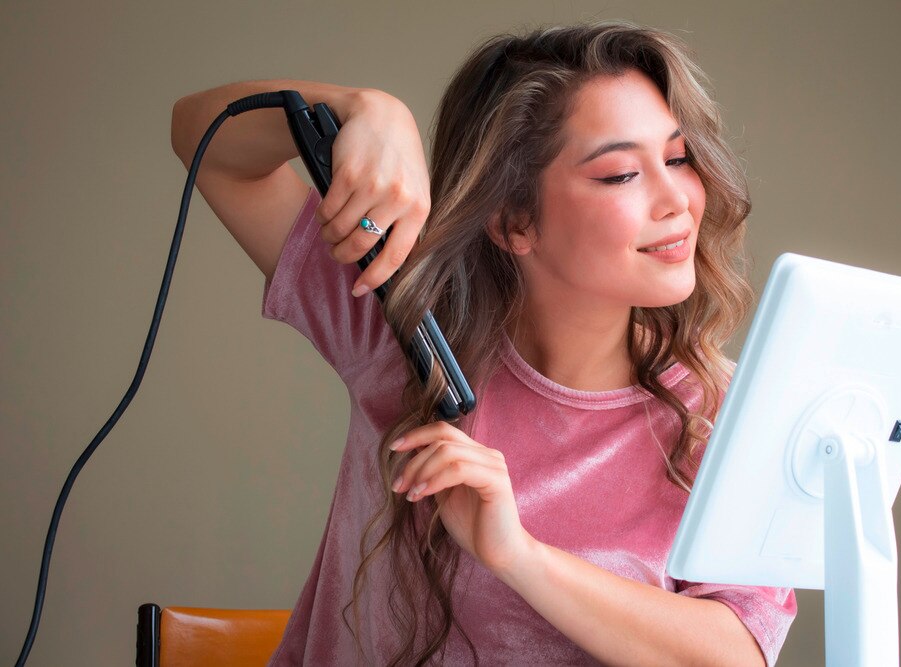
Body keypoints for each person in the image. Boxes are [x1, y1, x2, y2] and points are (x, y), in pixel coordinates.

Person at [171, 21, 796, 666]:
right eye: (619, 175)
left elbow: (738, 655)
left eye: (676, 158)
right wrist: (361, 108)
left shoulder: (722, 411)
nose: (678, 201)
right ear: (515, 221)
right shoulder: (402, 323)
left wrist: (517, 555)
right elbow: (204, 138)